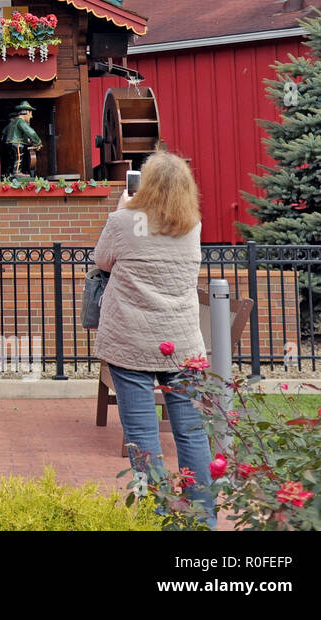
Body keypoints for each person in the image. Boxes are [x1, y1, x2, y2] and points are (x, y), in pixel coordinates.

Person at [93, 151, 215, 527]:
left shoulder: (123, 221)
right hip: (182, 343)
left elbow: (102, 261)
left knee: (142, 435)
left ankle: (154, 512)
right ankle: (202, 515)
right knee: (192, 433)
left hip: (131, 340)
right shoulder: (191, 225)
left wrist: (122, 208)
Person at [2, 101, 42, 176]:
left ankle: (10, 173)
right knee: (19, 157)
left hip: (9, 143)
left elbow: (4, 132)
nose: (31, 116)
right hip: (17, 143)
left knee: (12, 159)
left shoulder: (13, 122)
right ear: (27, 112)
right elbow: (30, 132)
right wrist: (38, 142)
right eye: (31, 114)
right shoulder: (21, 121)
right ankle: (17, 172)